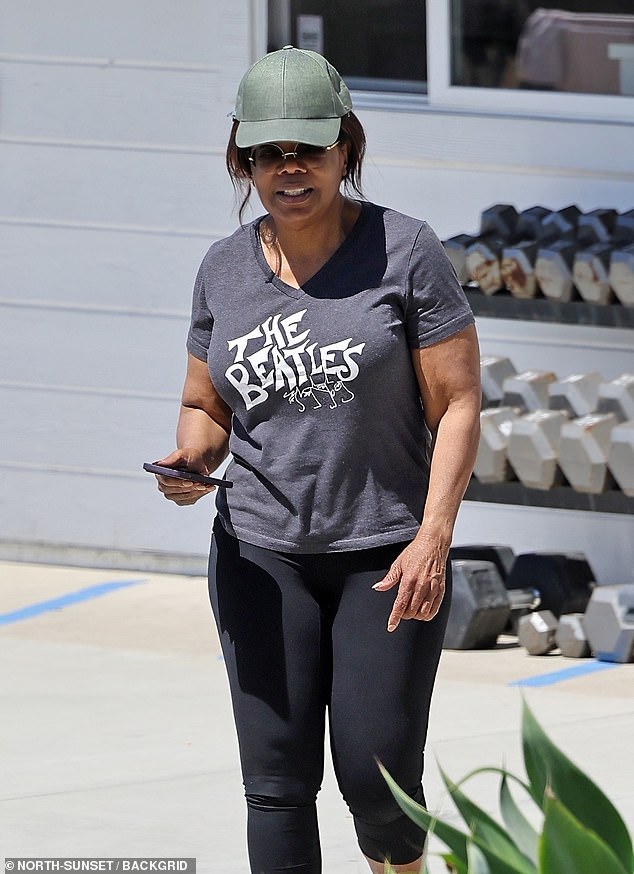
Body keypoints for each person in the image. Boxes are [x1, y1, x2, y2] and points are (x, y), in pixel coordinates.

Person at [151, 45, 481, 874]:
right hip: (262, 552)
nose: (289, 168)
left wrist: (433, 534)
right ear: (244, 160)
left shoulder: (406, 254)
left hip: (387, 555)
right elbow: (206, 404)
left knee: (379, 786)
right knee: (276, 785)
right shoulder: (223, 269)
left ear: (346, 148)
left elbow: (459, 403)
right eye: (268, 153)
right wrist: (193, 459)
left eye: (309, 148)